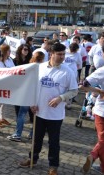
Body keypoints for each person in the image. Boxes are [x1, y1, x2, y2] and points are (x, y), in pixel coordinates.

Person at [19, 42, 78, 175]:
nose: (62, 57)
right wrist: (31, 103)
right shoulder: (40, 68)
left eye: (64, 54)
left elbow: (74, 91)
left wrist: (61, 98)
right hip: (39, 112)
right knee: (36, 139)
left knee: (54, 142)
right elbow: (32, 87)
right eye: (59, 54)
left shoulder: (67, 71)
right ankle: (32, 159)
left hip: (55, 115)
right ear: (51, 54)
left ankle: (53, 166)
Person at [7, 51, 45, 142]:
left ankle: (18, 134)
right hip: (38, 94)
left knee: (22, 114)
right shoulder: (44, 67)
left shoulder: (30, 66)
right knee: (36, 115)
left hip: (28, 94)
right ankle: (33, 134)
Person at [79, 45, 104, 174]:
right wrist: (99, 90)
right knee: (103, 141)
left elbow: (83, 85)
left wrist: (97, 90)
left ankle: (94, 156)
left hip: (101, 111)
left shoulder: (103, 70)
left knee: (103, 140)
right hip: (102, 110)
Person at [0, 44, 14, 127]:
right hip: (0, 84)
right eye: (9, 51)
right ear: (5, 52)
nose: (10, 52)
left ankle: (2, 118)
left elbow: (14, 68)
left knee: (4, 103)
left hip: (8, 84)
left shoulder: (9, 60)